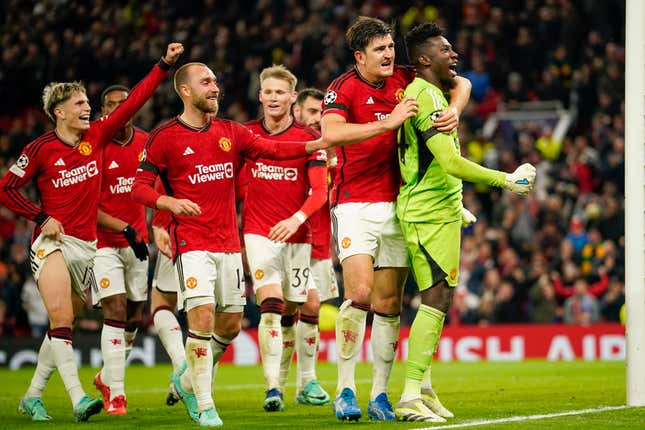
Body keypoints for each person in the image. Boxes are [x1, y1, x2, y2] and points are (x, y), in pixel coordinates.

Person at [131, 62, 327, 427]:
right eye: (206, 82)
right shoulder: (164, 137)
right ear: (185, 91)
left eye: (216, 82)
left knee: (231, 325)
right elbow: (139, 187)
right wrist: (168, 205)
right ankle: (205, 404)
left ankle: (187, 380)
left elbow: (276, 150)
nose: (215, 87)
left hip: (228, 242)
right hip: (191, 241)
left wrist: (318, 142)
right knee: (202, 316)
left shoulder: (231, 133)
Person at [0, 42, 184, 422]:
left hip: (86, 246)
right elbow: (5, 188)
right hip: (52, 243)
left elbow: (134, 102)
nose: (87, 108)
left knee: (59, 326)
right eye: (80, 104)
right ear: (59, 112)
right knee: (63, 319)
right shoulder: (40, 150)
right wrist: (39, 216)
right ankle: (79, 398)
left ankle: (32, 395)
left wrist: (163, 66)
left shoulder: (95, 138)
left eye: (87, 102)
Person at [320, 16, 471, 421]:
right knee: (361, 292)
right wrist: (385, 123)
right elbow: (331, 133)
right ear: (359, 56)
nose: (389, 55)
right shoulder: (342, 88)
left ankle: (380, 395)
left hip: (399, 204)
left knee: (389, 303)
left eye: (390, 47)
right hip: (354, 203)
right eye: (380, 50)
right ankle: (345, 389)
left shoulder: (406, 77)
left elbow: (462, 82)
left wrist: (454, 110)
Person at [394, 22, 536, 422]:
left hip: (438, 209)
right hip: (425, 213)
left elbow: (421, 160)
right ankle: (408, 395)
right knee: (435, 299)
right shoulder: (422, 95)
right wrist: (507, 180)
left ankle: (423, 388)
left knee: (441, 299)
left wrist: (456, 205)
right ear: (424, 59)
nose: (453, 54)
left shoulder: (432, 92)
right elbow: (450, 162)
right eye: (445, 49)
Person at [242, 67, 328, 412]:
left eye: (281, 92)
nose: (274, 98)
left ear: (293, 98)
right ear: (260, 96)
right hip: (258, 233)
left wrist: (296, 220)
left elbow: (320, 191)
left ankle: (300, 381)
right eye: (269, 92)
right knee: (272, 305)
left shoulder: (309, 139)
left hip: (299, 236)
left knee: (296, 307)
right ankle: (273, 387)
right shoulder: (245, 136)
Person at [92, 84, 152, 415]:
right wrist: (123, 228)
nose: (119, 110)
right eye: (112, 105)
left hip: (138, 244)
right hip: (103, 243)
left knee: (133, 317)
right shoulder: (94, 146)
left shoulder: (147, 144)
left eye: (124, 104)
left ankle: (106, 376)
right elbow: (87, 205)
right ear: (104, 112)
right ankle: (117, 393)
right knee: (114, 309)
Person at [285, 87, 339, 406]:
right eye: (312, 112)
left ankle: (300, 383)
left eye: (322, 113)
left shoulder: (336, 151)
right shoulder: (291, 149)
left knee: (306, 309)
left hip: (320, 245)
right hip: (292, 243)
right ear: (297, 113)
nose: (319, 119)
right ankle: (295, 382)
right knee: (301, 307)